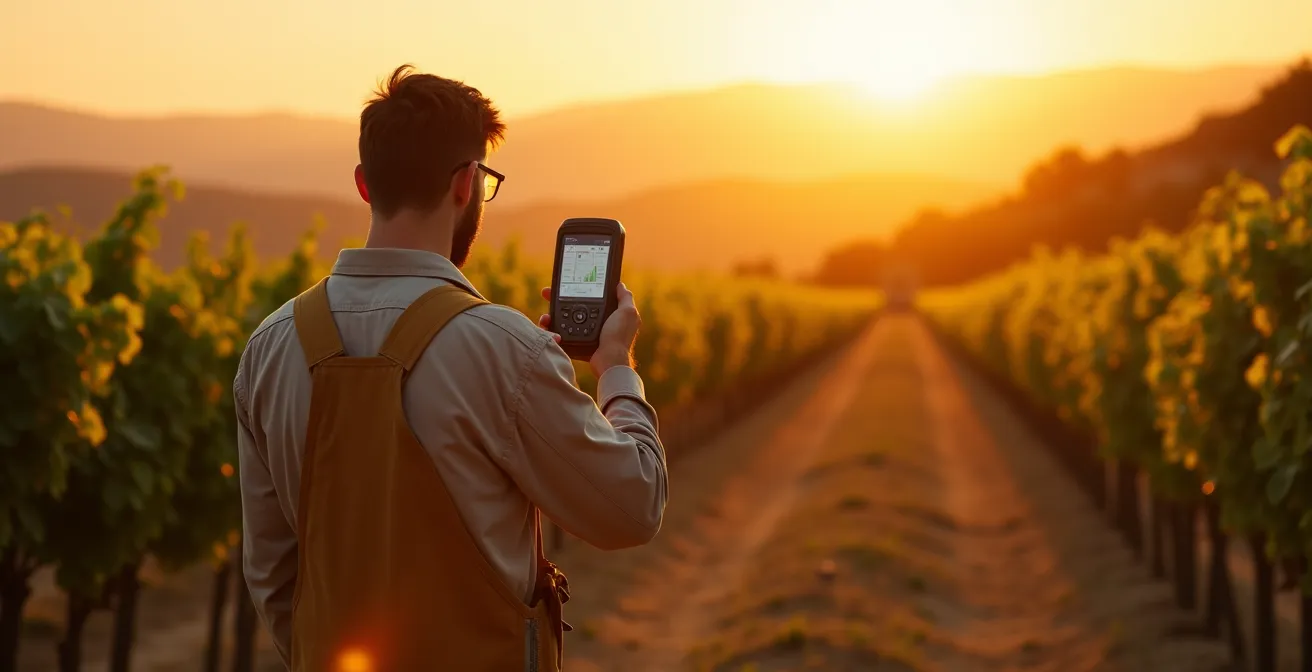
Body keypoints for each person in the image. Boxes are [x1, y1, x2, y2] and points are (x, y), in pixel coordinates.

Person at [233, 64, 668, 671]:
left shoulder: (268, 347)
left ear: (364, 185)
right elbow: (633, 506)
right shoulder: (503, 348)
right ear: (467, 183)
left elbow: (273, 575)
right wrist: (617, 368)